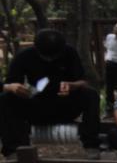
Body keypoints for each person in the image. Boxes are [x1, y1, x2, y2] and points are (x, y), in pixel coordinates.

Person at [2, 28, 101, 156]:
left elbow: (83, 81)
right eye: (46, 56)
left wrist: (73, 86)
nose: (50, 59)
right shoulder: (24, 56)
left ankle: (91, 145)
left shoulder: (70, 53)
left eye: (54, 56)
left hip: (64, 104)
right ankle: (15, 150)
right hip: (36, 105)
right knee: (6, 98)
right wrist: (14, 87)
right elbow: (9, 83)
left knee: (91, 94)